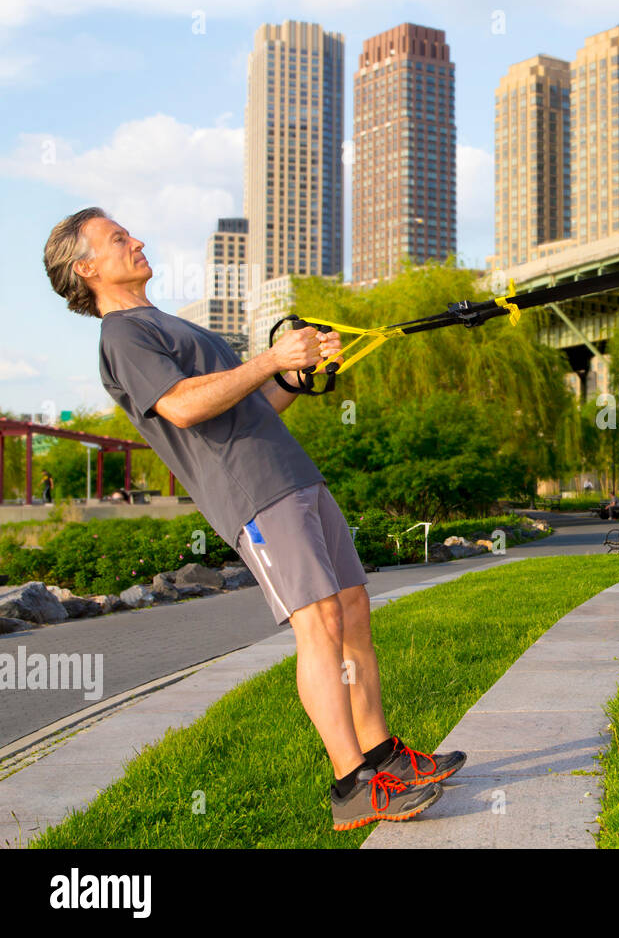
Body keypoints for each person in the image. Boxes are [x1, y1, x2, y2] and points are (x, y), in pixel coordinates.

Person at [44, 208, 463, 832]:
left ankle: (384, 757)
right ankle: (351, 784)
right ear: (87, 268)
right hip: (253, 495)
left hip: (293, 476)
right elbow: (183, 408)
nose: (137, 240)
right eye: (118, 238)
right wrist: (267, 360)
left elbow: (251, 407)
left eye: (130, 233)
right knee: (317, 622)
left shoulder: (166, 323)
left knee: (351, 613)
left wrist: (292, 376)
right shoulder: (123, 336)